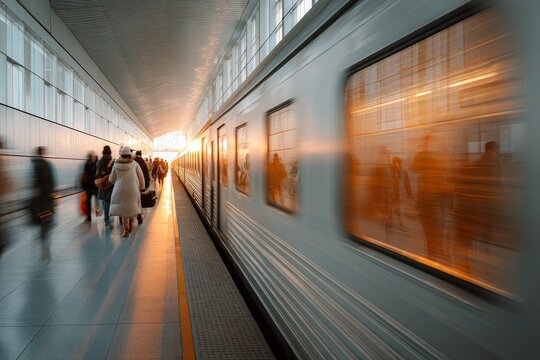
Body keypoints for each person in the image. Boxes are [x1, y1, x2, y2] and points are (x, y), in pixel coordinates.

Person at [108, 146, 145, 237]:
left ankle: (126, 229)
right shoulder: (135, 163)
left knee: (124, 209)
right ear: (129, 154)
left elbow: (111, 180)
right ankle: (131, 223)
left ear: (121, 154)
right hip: (133, 189)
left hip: (119, 189)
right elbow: (141, 177)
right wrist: (142, 188)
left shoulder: (116, 164)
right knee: (131, 206)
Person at [30, 146, 55, 264]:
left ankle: (42, 240)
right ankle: (45, 241)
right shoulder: (48, 165)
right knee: (46, 220)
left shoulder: (35, 165)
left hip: (39, 199)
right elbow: (52, 182)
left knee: (40, 220)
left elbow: (33, 183)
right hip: (47, 198)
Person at [96, 145, 115, 228]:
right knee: (108, 201)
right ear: (110, 152)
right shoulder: (113, 161)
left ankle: (106, 219)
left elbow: (97, 174)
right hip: (110, 184)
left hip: (102, 183)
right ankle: (107, 220)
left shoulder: (99, 162)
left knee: (104, 201)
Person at [134, 150, 150, 224]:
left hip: (133, 184)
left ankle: (126, 217)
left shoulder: (133, 161)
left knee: (132, 200)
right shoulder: (143, 162)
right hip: (140, 184)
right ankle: (139, 215)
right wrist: (145, 185)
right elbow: (145, 174)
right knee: (139, 201)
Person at [82, 152, 98, 222]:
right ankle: (98, 213)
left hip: (88, 187)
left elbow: (84, 175)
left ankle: (89, 217)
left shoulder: (86, 165)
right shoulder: (95, 165)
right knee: (97, 201)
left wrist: (84, 186)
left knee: (88, 202)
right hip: (95, 186)